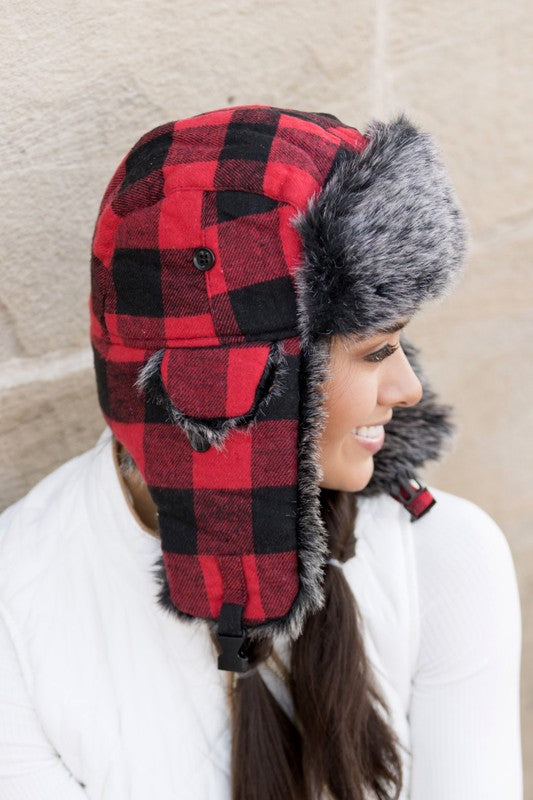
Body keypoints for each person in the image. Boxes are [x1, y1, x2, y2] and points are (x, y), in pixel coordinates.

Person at [0, 105, 523, 800]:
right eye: (374, 351)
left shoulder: (442, 554)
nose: (407, 386)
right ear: (236, 387)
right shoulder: (19, 598)